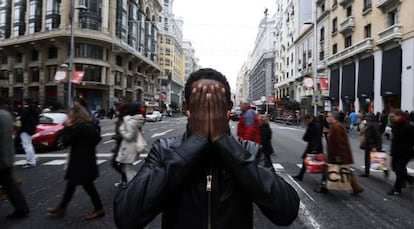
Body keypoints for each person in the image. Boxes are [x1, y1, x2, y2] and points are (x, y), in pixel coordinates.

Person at [113, 68, 300, 228]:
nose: (208, 111)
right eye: (201, 104)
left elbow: (286, 211)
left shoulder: (249, 151)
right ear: (187, 108)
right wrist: (196, 142)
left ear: (228, 107)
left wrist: (223, 141)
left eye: (216, 105)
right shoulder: (165, 149)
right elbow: (126, 216)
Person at [47, 106, 104, 220]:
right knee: (72, 185)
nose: (68, 117)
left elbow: (65, 142)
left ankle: (99, 209)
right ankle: (62, 207)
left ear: (75, 117)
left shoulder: (78, 128)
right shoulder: (90, 126)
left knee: (87, 186)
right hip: (87, 160)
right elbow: (97, 139)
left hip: (80, 162)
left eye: (70, 116)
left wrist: (67, 128)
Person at [315, 112, 363, 195]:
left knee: (328, 170)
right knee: (345, 171)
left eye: (329, 116)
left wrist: (338, 156)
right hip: (339, 155)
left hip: (337, 155)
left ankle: (324, 187)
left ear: (333, 117)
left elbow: (339, 143)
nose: (328, 118)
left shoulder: (337, 127)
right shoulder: (336, 126)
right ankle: (356, 187)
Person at [0, 108, 30, 219]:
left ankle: (22, 209)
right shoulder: (6, 114)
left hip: (1, 157)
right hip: (7, 156)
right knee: (10, 185)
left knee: (9, 185)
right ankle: (22, 208)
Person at [115, 103, 146, 183]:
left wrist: (121, 129)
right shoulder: (137, 120)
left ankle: (134, 187)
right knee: (126, 168)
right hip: (132, 147)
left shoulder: (131, 122)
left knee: (128, 170)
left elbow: (129, 137)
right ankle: (138, 182)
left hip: (128, 148)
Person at [387, 109, 414, 196]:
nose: (391, 118)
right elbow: (394, 139)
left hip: (405, 153)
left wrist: (404, 149)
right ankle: (409, 179)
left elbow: (411, 141)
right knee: (394, 167)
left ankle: (397, 189)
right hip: (396, 152)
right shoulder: (395, 125)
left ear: (399, 116)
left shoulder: (408, 126)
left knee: (399, 169)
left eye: (393, 116)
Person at [293, 114, 323, 181]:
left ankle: (324, 180)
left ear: (311, 118)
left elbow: (316, 138)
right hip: (313, 146)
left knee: (320, 163)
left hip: (314, 147)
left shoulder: (314, 126)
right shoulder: (314, 125)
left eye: (307, 120)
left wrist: (315, 149)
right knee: (306, 161)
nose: (307, 121)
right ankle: (300, 176)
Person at [18, 98, 39, 168]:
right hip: (31, 128)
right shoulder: (35, 109)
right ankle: (33, 157)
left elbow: (22, 119)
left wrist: (19, 119)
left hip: (25, 128)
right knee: (29, 144)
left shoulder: (26, 109)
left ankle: (31, 161)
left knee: (26, 145)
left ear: (25, 102)